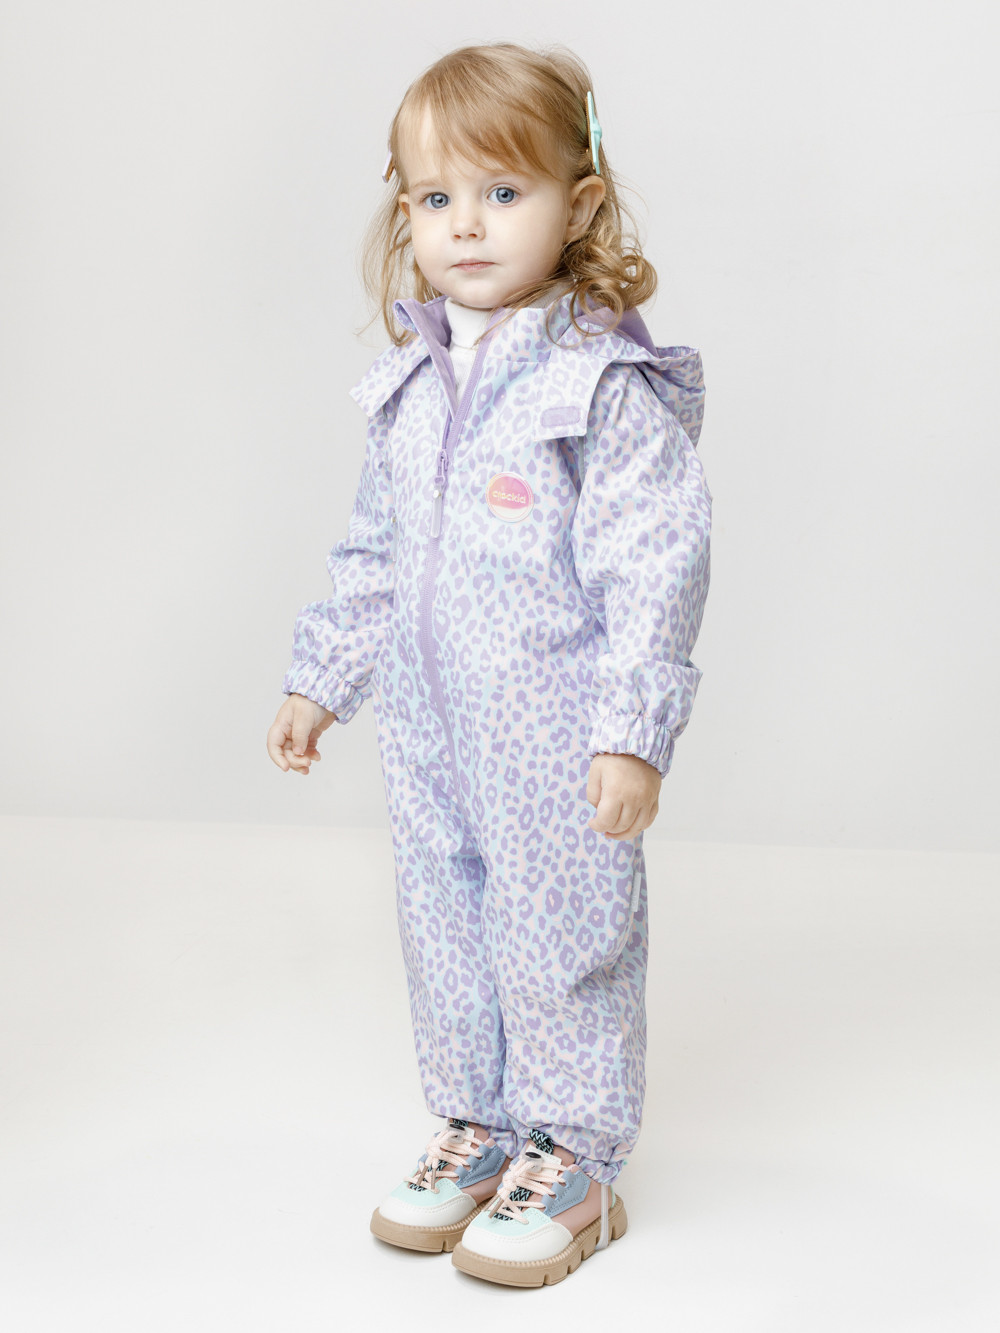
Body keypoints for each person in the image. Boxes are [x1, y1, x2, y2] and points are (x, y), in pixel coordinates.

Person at [265, 41, 712, 1288]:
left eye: (503, 192)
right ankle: (479, 1122)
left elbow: (654, 563)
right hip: (431, 733)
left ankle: (573, 1157)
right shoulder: (413, 380)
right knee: (445, 922)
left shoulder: (596, 383)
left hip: (556, 733)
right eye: (435, 196)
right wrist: (321, 677)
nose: (465, 225)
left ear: (578, 203)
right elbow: (376, 549)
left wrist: (629, 733)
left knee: (560, 932)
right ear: (405, 212)